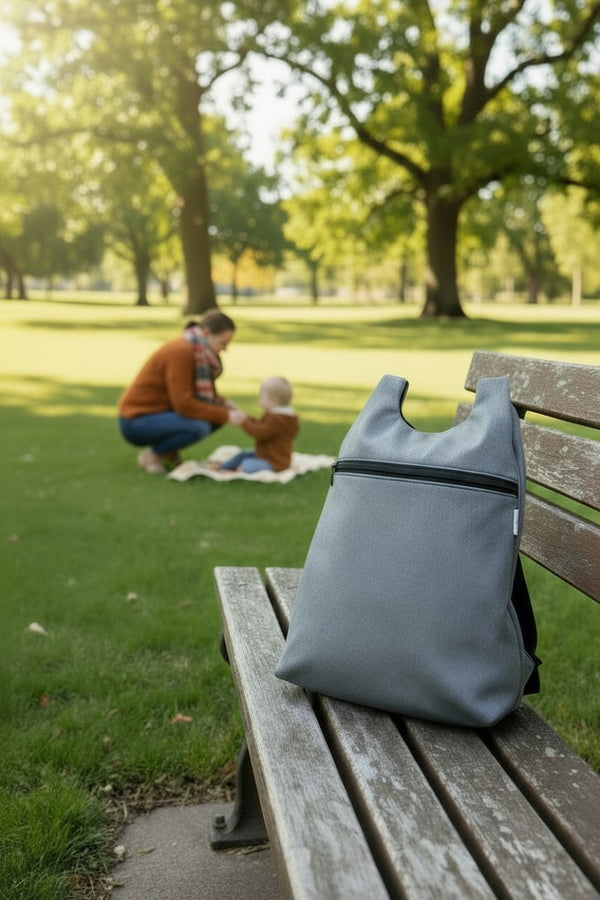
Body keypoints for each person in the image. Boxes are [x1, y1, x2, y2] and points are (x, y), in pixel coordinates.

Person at [118, 309, 245, 474]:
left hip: (159, 414)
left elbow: (196, 395)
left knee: (215, 417)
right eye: (222, 343)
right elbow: (184, 404)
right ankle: (153, 456)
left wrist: (225, 404)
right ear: (206, 333)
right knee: (199, 427)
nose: (225, 349)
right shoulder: (181, 351)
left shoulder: (198, 351)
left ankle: (168, 453)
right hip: (136, 420)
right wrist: (226, 415)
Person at [217, 376, 300, 474]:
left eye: (262, 397)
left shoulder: (278, 420)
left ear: (273, 400)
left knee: (247, 463)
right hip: (265, 455)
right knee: (242, 455)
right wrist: (246, 418)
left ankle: (238, 470)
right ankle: (222, 467)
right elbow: (261, 425)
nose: (259, 400)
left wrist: (244, 423)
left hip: (275, 462)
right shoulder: (276, 415)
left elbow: (260, 433)